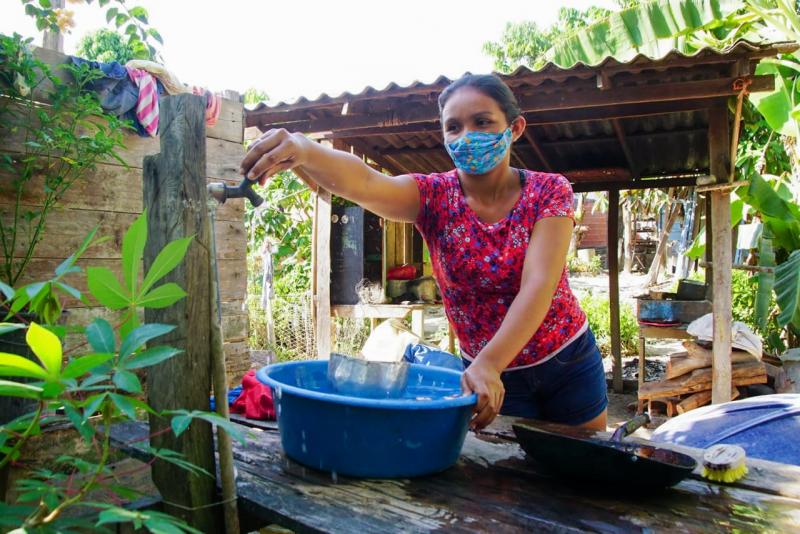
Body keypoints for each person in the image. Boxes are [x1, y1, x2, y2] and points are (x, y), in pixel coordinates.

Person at [239, 74, 608, 432]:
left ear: (514, 128)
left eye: (482, 122)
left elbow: (539, 285)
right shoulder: (434, 198)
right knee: (510, 483)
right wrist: (304, 149)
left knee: (589, 476)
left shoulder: (549, 191)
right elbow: (367, 182)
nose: (467, 136)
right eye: (454, 127)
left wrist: (488, 364)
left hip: (565, 361)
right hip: (488, 375)